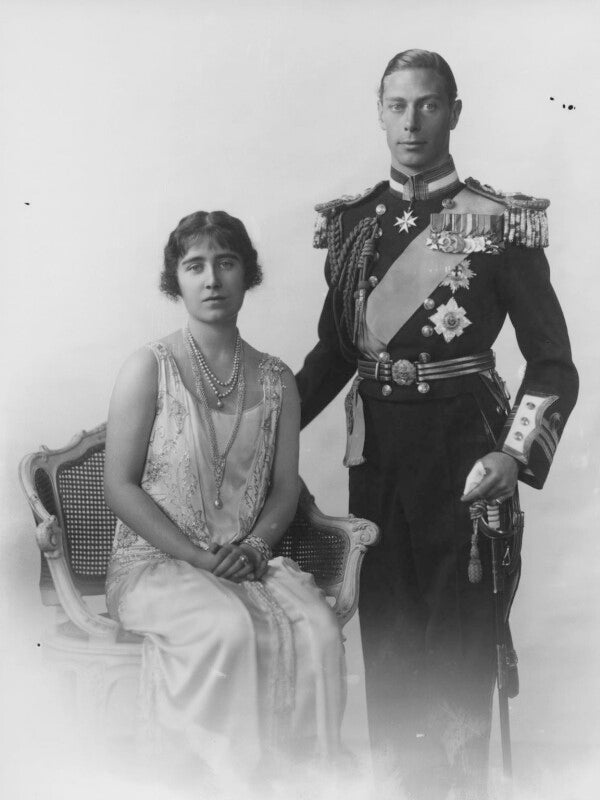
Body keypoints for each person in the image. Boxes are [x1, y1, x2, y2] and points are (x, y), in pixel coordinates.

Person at [296, 50, 578, 799]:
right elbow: (335, 353)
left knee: (457, 638)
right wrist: (268, 430)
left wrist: (514, 456)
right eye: (397, 105)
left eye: (427, 105)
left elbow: (553, 365)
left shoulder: (500, 224)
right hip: (377, 458)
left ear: (454, 112)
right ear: (379, 112)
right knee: (386, 633)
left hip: (465, 454)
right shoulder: (354, 225)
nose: (411, 122)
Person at [104, 211, 346, 785]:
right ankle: (216, 783)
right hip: (155, 564)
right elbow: (119, 485)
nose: (212, 279)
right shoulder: (147, 367)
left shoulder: (277, 379)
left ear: (247, 275)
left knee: (317, 626)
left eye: (226, 263)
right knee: (226, 625)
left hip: (244, 561)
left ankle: (298, 786)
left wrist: (256, 548)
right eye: (195, 266)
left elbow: (285, 488)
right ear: (176, 280)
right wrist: (196, 556)